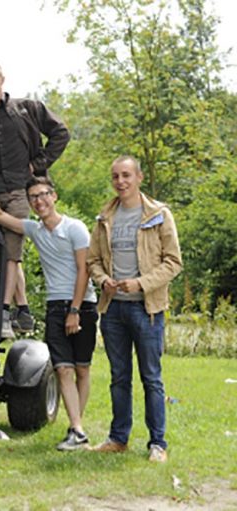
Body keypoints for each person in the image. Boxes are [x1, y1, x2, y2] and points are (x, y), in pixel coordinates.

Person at [0, 177, 98, 451]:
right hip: (54, 305)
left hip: (82, 304)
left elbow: (84, 270)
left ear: (54, 196)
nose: (39, 201)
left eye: (44, 194)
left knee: (82, 369)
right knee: (62, 369)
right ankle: (77, 429)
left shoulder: (75, 228)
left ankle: (76, 426)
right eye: (34, 197)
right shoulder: (35, 230)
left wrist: (75, 309)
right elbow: (3, 218)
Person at [0, 62, 70, 337]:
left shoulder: (27, 109)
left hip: (21, 191)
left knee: (10, 252)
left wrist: (38, 164)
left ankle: (3, 314)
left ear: (2, 80)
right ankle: (24, 311)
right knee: (4, 255)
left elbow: (61, 133)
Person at [87, 155, 182, 463]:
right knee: (119, 377)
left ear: (139, 177)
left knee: (151, 378)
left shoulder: (159, 215)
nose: (121, 181)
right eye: (116, 176)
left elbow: (173, 262)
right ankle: (118, 439)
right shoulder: (104, 217)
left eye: (126, 175)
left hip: (147, 310)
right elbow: (92, 261)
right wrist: (103, 281)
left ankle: (158, 443)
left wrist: (141, 283)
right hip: (113, 310)